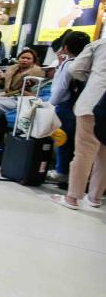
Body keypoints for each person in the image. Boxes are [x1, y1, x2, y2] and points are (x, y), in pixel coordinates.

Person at [51, 37, 106, 210]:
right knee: (104, 155)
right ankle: (95, 198)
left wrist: (90, 78)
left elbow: (76, 69)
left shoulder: (99, 45)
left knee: (84, 152)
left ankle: (72, 197)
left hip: (93, 103)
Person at [47, 32, 91, 183]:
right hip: (80, 106)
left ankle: (61, 171)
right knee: (75, 141)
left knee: (63, 140)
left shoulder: (69, 64)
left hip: (64, 107)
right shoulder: (85, 64)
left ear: (65, 47)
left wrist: (51, 104)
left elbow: (60, 88)